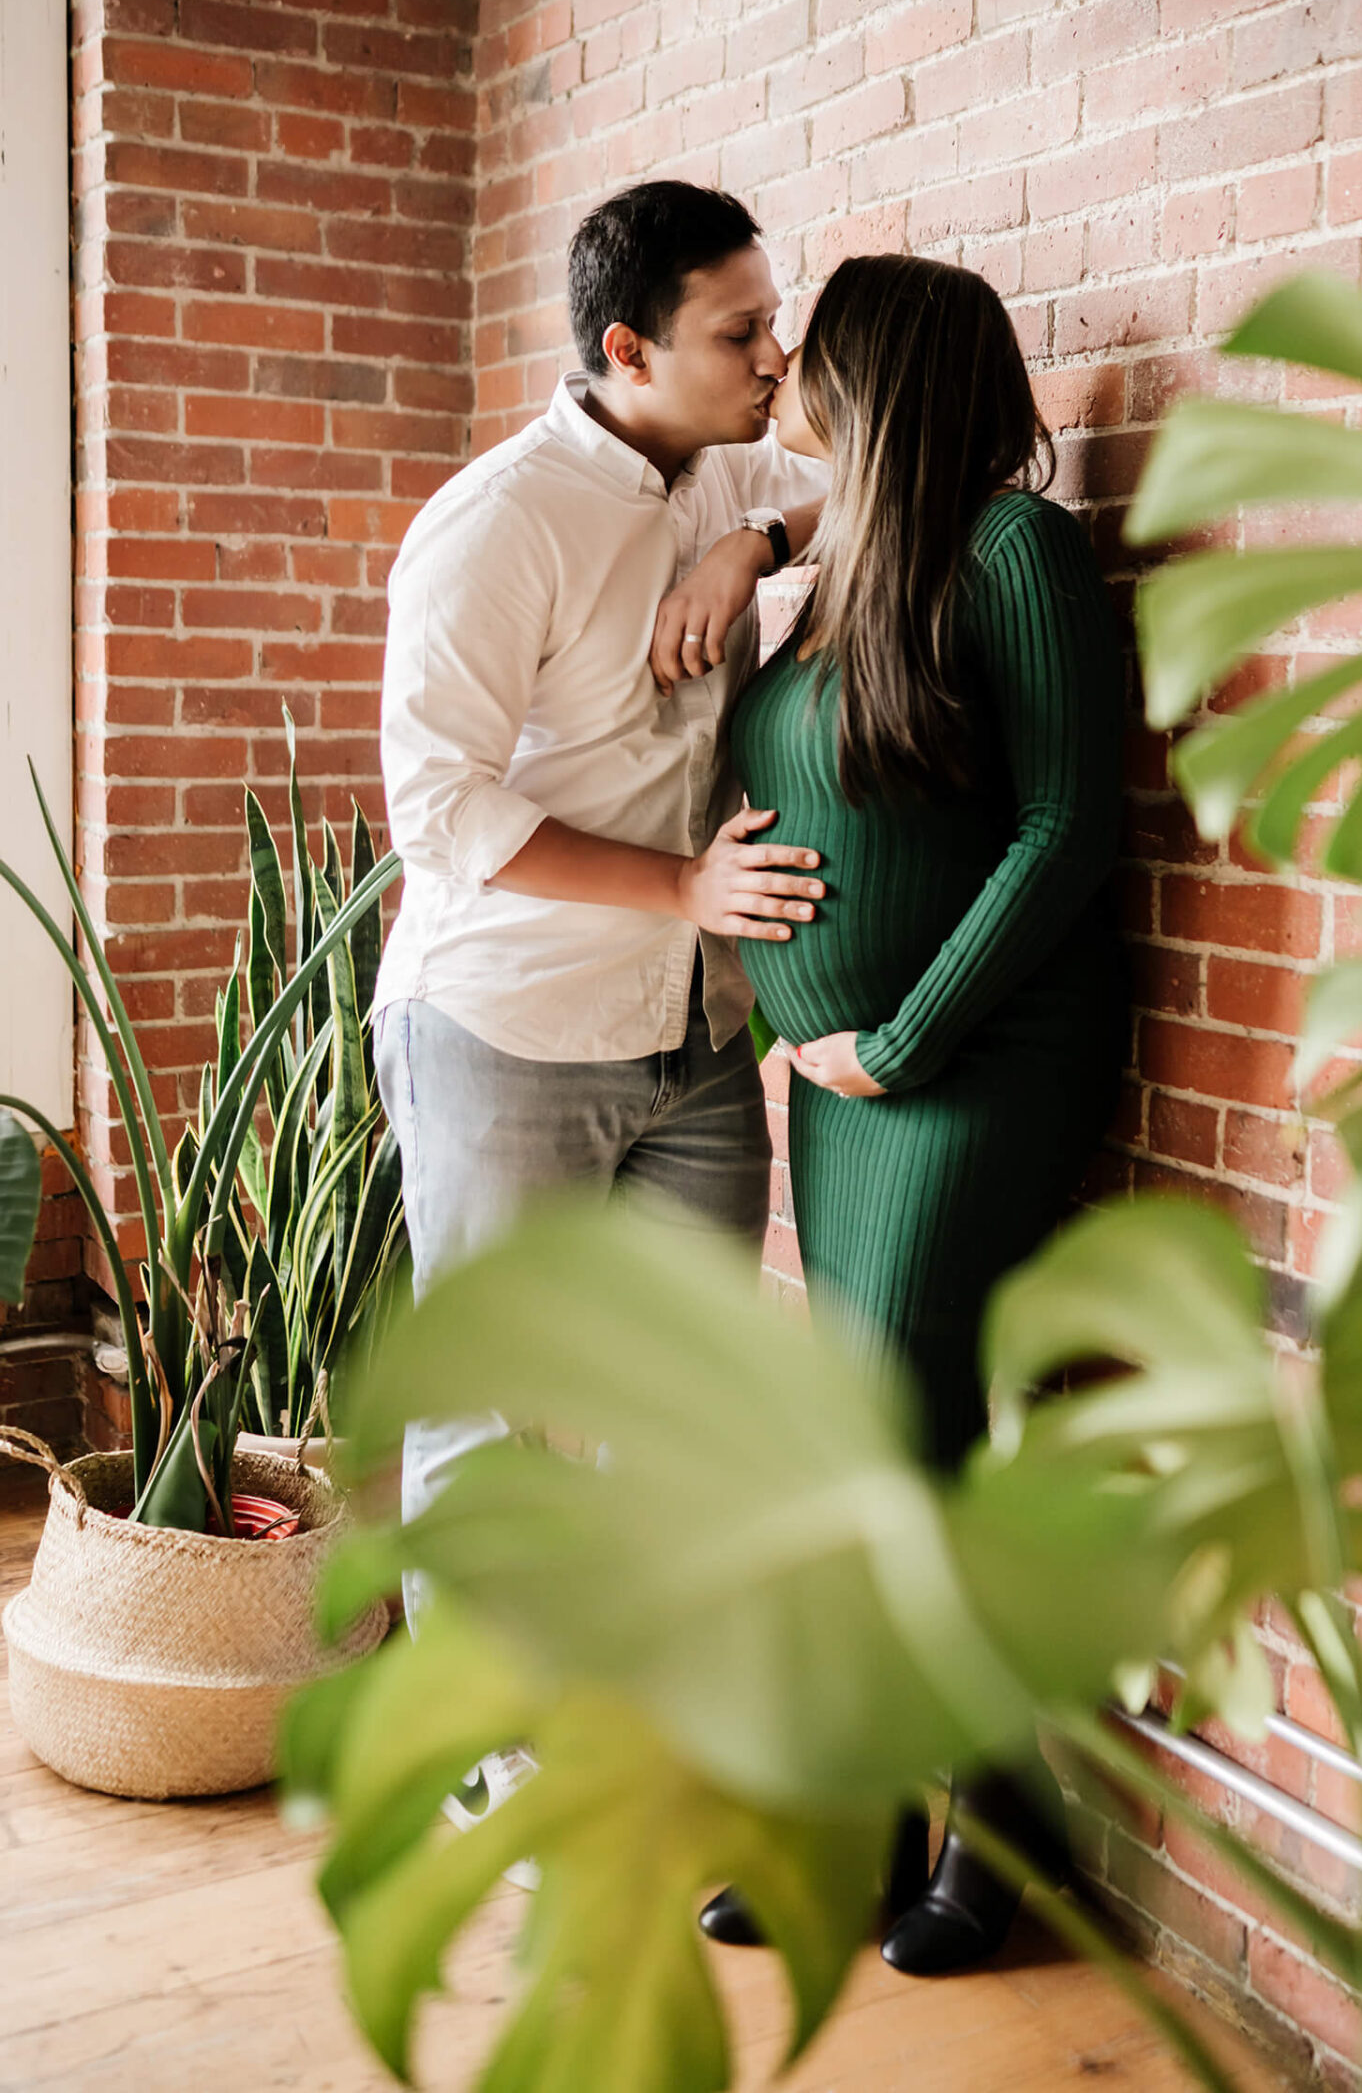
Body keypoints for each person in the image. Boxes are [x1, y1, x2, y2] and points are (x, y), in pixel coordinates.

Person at [372, 179, 833, 1841]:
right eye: (743, 332)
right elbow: (436, 810)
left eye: (775, 324)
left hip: (698, 1045)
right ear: (630, 349)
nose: (777, 360)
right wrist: (681, 894)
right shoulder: (496, 524)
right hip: (502, 1034)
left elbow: (892, 487)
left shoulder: (728, 463)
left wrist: (755, 538)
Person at [701, 252, 1128, 1974]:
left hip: (969, 1072)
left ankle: (1005, 1840)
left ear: (889, 378)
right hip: (851, 1086)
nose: (786, 358)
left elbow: (1066, 828)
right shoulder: (853, 559)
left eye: (818, 339)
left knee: (924, 1450)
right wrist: (757, 543)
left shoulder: (1018, 551)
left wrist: (909, 1033)